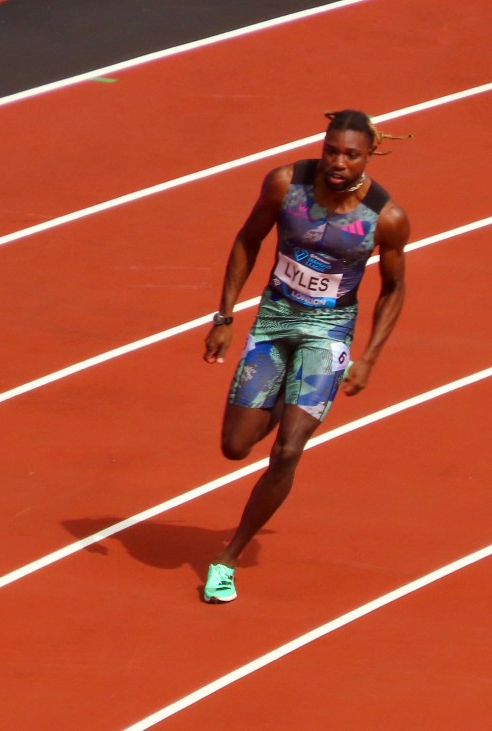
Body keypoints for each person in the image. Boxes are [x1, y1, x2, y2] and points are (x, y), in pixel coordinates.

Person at [201, 110, 410, 603]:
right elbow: (248, 239)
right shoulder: (285, 185)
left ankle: (227, 559)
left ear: (369, 155)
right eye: (331, 151)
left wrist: (369, 356)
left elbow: (393, 288)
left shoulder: (386, 218)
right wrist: (224, 317)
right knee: (235, 446)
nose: (338, 162)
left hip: (328, 332)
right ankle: (283, 397)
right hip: (274, 321)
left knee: (288, 451)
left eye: (350, 155)